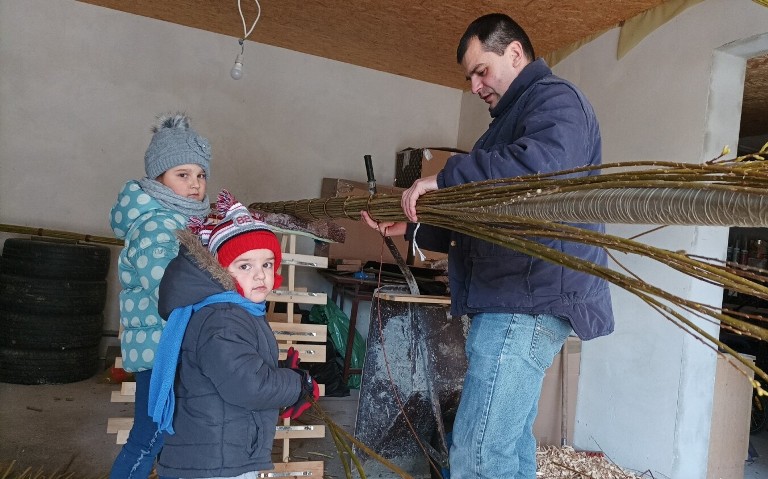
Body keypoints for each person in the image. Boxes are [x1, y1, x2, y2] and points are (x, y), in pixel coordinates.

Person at [361, 13, 614, 479]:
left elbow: (539, 171)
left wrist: (444, 179)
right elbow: (481, 219)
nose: (475, 86)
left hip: (527, 300)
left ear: (515, 53)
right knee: (506, 446)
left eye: (482, 71)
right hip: (512, 299)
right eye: (469, 78)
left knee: (478, 453)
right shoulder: (503, 127)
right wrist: (413, 227)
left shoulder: (555, 101)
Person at [148, 192, 319, 479]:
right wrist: (297, 383)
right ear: (219, 271)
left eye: (266, 264)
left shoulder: (234, 310)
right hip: (216, 463)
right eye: (245, 265)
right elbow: (248, 386)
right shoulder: (223, 318)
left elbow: (237, 370)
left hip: (217, 452)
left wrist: (277, 374)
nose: (260, 275)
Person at [109, 112, 213, 479]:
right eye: (182, 175)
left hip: (172, 346)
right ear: (158, 178)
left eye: (200, 175)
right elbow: (170, 288)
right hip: (160, 351)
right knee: (148, 438)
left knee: (169, 436)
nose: (195, 184)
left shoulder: (180, 222)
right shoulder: (157, 225)